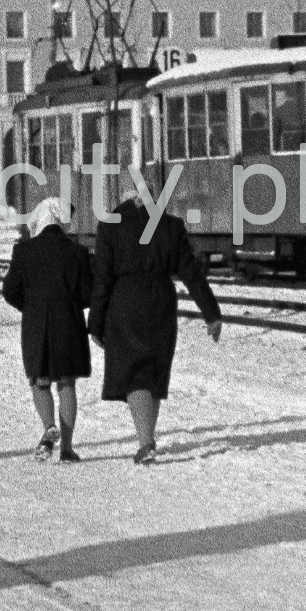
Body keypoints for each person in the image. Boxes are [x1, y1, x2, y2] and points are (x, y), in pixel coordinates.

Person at [88, 186, 222, 466]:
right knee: (153, 372)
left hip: (125, 303)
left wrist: (96, 324)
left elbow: (102, 280)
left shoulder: (110, 225)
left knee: (134, 372)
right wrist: (211, 313)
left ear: (127, 197)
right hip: (161, 302)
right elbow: (191, 273)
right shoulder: (171, 225)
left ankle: (146, 442)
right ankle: (147, 437)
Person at [2, 201, 93, 463]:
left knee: (39, 381)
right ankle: (66, 449)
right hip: (69, 322)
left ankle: (48, 426)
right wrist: (70, 304)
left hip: (36, 322)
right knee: (66, 384)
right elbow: (87, 292)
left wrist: (30, 307)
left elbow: (10, 291)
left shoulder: (24, 251)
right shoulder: (77, 252)